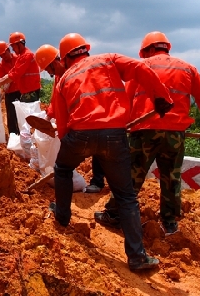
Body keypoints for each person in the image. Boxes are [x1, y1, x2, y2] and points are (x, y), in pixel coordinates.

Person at [50, 32, 174, 271]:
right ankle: (137, 257)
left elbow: (63, 125)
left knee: (63, 169)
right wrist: (161, 96)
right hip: (115, 135)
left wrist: (71, 145)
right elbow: (141, 69)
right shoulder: (108, 59)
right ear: (85, 48)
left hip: (79, 134)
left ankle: (62, 217)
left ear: (65, 57)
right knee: (126, 196)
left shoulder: (64, 79)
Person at [95, 31, 200, 236]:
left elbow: (126, 99)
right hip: (175, 134)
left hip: (144, 131)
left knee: (131, 175)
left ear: (150, 49)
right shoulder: (187, 68)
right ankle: (169, 222)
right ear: (166, 47)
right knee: (171, 178)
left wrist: (120, 124)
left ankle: (116, 214)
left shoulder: (141, 68)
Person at [35, 44, 105, 194]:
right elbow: (56, 100)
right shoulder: (59, 76)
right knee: (67, 155)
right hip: (72, 118)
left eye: (48, 69)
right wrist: (48, 116)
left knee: (98, 147)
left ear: (54, 63)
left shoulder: (80, 70)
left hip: (87, 115)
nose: (49, 73)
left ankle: (98, 182)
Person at [0, 32, 41, 103]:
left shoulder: (26, 56)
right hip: (25, 91)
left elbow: (15, 74)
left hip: (30, 91)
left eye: (13, 47)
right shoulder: (21, 56)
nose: (13, 49)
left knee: (28, 113)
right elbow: (13, 71)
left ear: (19, 44)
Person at [0, 41, 21, 135]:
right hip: (10, 94)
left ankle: (24, 137)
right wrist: (6, 84)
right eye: (1, 56)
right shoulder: (1, 66)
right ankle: (14, 137)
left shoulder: (18, 59)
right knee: (11, 116)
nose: (3, 57)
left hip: (21, 91)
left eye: (4, 54)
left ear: (8, 50)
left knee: (22, 115)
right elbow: (2, 81)